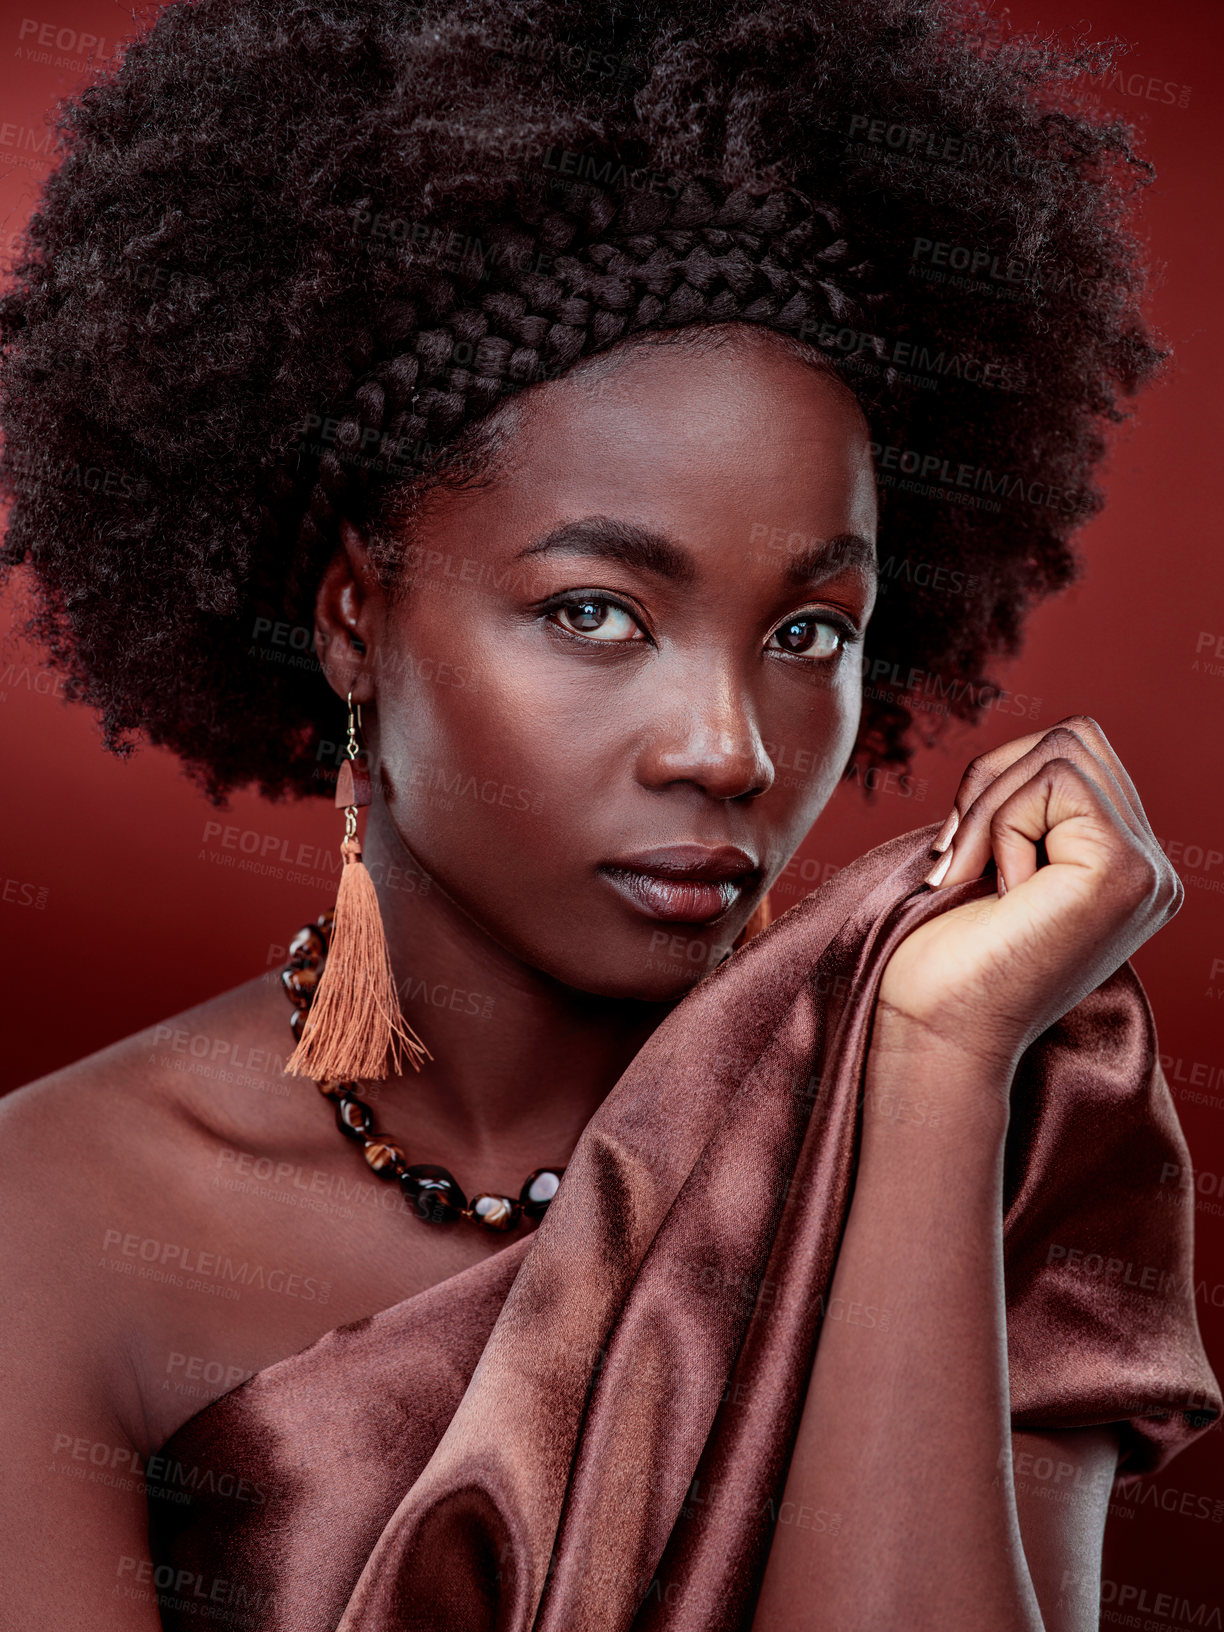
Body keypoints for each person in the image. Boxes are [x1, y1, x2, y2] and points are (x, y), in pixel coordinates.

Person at [0, 1, 1216, 1628]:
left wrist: (926, 1084)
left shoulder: (1008, 1099)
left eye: (808, 635)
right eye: (596, 614)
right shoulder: (50, 1222)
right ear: (356, 617)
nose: (728, 749)